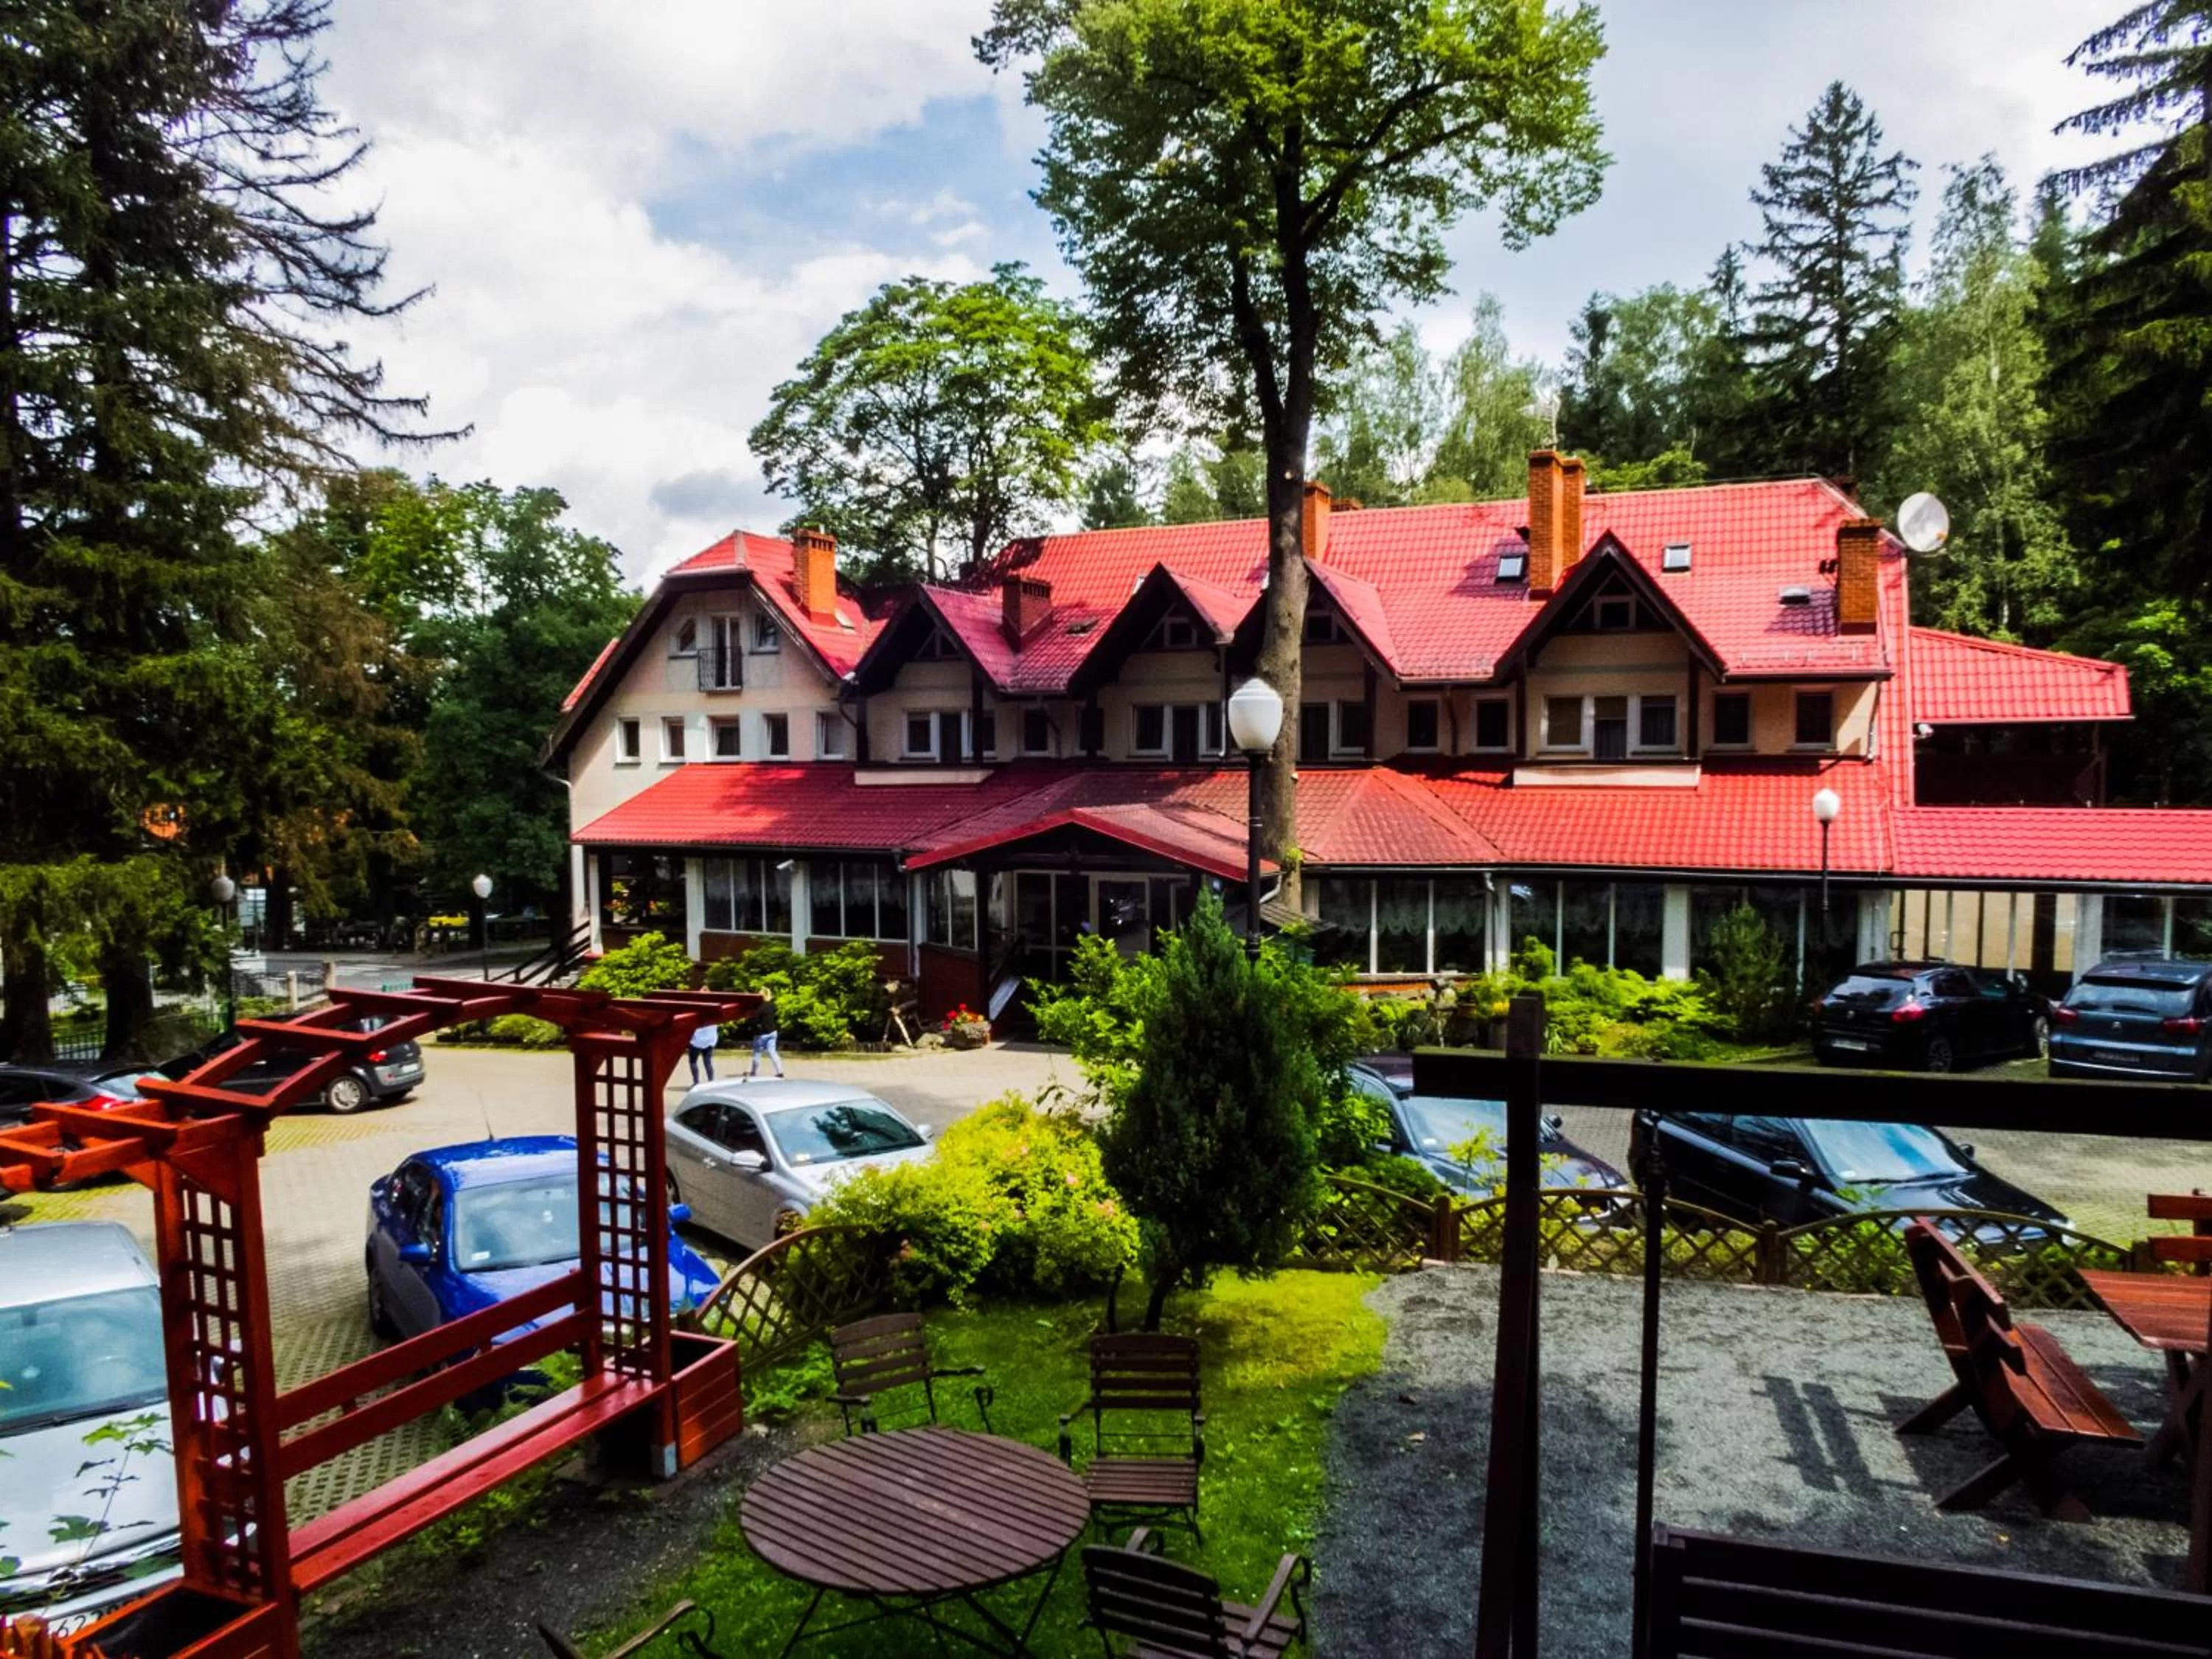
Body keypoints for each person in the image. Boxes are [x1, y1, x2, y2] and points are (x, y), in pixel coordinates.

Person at [748, 989, 784, 1079]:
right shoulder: (773, 1006)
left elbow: (754, 1021)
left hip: (761, 1034)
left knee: (757, 1053)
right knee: (773, 1052)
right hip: (773, 1032)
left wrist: (753, 1028)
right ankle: (780, 1072)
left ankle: (754, 1073)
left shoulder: (760, 1008)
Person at [686, 1019, 717, 1084]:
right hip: (710, 1040)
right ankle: (711, 1081)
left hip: (696, 1041)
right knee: (708, 1062)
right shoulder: (714, 1015)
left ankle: (696, 1082)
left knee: (693, 1061)